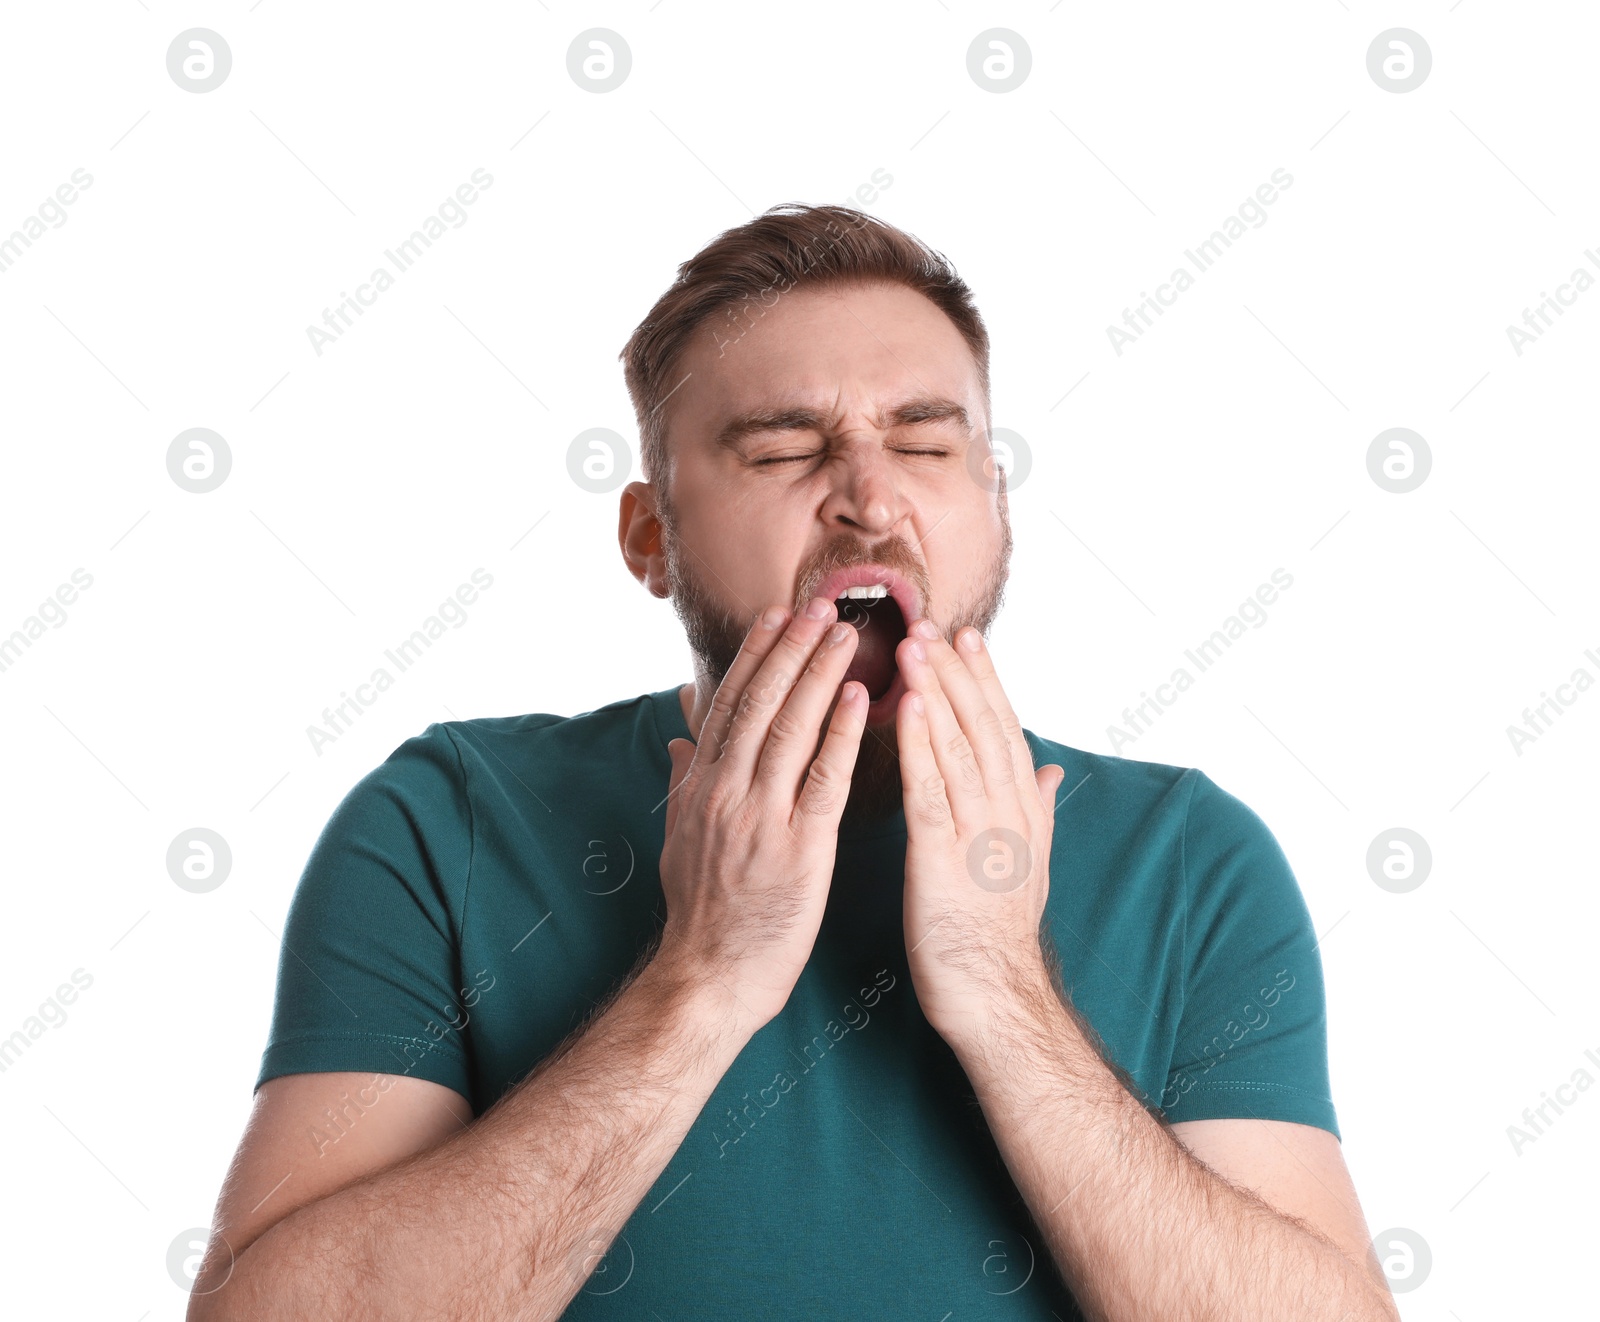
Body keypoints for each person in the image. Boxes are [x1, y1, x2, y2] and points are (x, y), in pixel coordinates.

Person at [189, 204, 1399, 1320]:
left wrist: (1001, 989)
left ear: (998, 507)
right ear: (649, 536)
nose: (869, 501)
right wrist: (700, 980)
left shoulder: (1189, 855)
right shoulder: (445, 821)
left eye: (927, 445)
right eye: (780, 450)